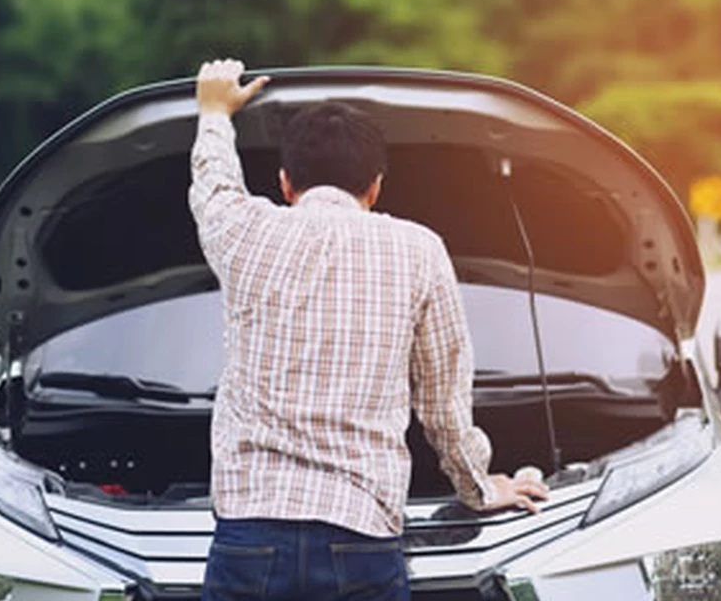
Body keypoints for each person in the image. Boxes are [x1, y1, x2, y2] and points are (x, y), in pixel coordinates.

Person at [189, 59, 549, 601]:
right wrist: (479, 487)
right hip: (362, 537)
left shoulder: (245, 231)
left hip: (249, 535)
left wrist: (214, 112)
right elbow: (442, 401)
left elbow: (213, 184)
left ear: (285, 184)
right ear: (376, 187)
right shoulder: (419, 250)